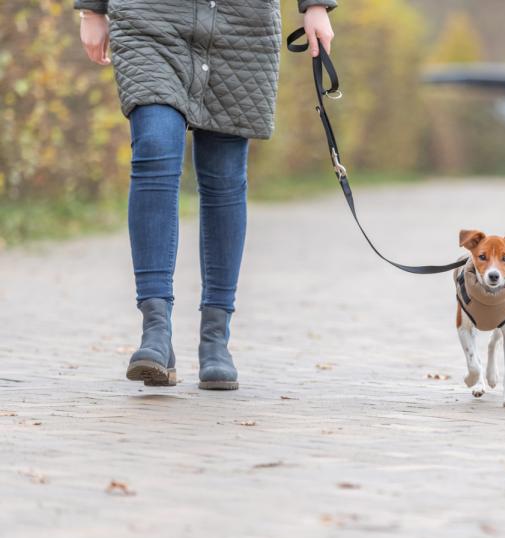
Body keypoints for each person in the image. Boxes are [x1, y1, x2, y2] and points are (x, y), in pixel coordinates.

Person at [76, 0, 336, 390]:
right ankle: (155, 330)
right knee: (155, 148)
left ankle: (216, 339)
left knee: (225, 177)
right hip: (150, 17)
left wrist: (315, 5)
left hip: (242, 22)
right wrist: (91, 9)